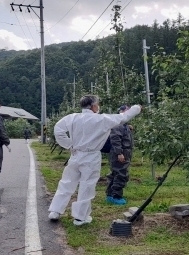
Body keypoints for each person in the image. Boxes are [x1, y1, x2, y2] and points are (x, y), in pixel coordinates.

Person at [48, 95, 142, 226]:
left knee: (67, 183)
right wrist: (136, 108)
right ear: (93, 106)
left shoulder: (72, 118)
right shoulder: (102, 119)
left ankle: (55, 211)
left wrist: (69, 144)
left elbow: (58, 130)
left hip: (76, 154)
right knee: (87, 186)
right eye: (97, 104)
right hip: (91, 156)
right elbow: (123, 118)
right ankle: (80, 217)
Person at [106, 105, 134, 205]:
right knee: (121, 174)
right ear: (121, 111)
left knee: (115, 173)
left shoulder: (123, 124)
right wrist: (119, 153)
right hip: (120, 153)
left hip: (122, 152)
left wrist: (128, 127)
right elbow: (115, 138)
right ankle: (116, 196)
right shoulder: (118, 123)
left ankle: (110, 195)